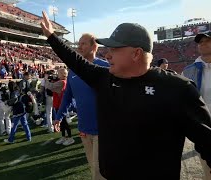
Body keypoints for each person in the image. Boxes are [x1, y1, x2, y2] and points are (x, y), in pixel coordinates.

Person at [40, 11, 211, 179]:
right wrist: (52, 37)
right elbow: (76, 61)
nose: (107, 55)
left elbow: (207, 141)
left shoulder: (177, 88)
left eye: (114, 49)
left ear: (136, 53)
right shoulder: (104, 78)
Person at [54, 33, 109, 180]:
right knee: (93, 168)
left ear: (94, 46)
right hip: (84, 128)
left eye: (83, 43)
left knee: (100, 172)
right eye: (79, 43)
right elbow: (67, 96)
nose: (79, 46)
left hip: (103, 129)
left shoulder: (105, 67)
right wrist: (58, 117)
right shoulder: (73, 71)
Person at [182, 31, 211, 180]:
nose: (203, 44)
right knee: (208, 171)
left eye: (207, 40)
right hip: (204, 130)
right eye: (200, 42)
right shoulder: (188, 71)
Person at [44, 68, 73, 145]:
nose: (57, 74)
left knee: (64, 122)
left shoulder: (62, 82)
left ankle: (70, 137)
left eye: (59, 73)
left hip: (61, 105)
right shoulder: (62, 81)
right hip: (59, 104)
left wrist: (46, 79)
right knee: (62, 123)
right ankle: (64, 136)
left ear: (63, 74)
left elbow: (49, 87)